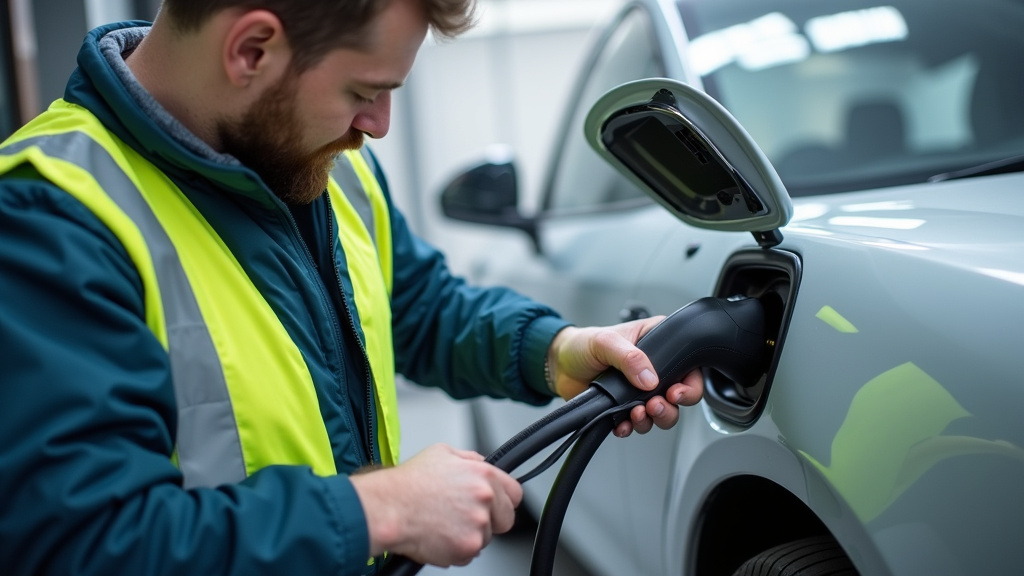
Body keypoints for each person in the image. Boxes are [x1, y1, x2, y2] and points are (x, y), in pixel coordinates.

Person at [0, 0, 704, 574]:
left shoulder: (317, 157)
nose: (378, 125)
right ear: (251, 50)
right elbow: (82, 542)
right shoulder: (51, 217)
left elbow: (416, 306)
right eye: (364, 92)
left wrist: (558, 350)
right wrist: (380, 511)